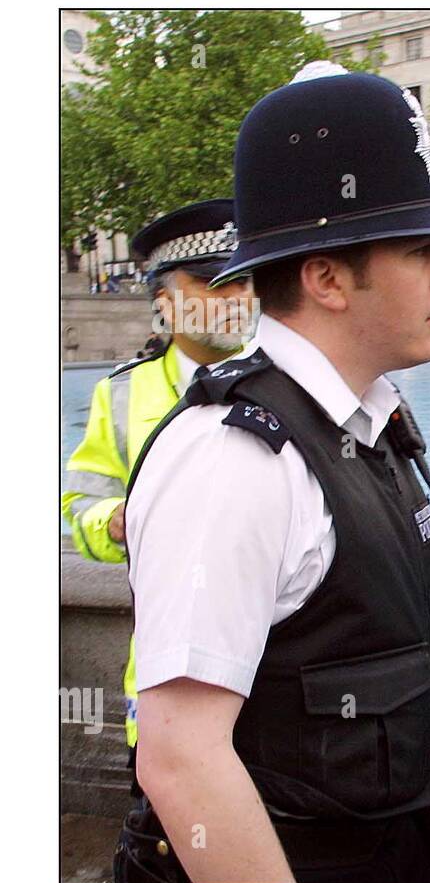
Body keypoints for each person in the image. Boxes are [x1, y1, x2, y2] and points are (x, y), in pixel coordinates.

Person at [125, 64, 430, 883]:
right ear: (325, 276)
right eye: (420, 249)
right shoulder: (236, 458)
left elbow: (335, 605)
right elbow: (180, 760)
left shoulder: (363, 421)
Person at [63, 199, 251, 769]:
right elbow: (79, 507)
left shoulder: (298, 381)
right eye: (211, 281)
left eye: (242, 280)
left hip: (283, 682)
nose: (234, 298)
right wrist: (116, 521)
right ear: (165, 303)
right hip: (165, 678)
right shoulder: (119, 395)